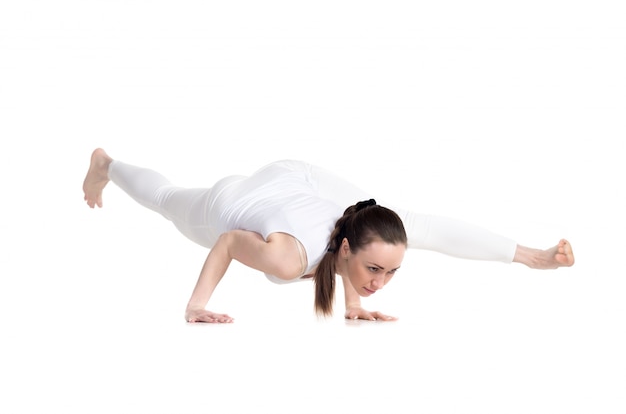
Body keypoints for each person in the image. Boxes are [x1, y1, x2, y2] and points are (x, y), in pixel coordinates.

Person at [82, 148, 575, 323]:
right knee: (166, 199)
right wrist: (196, 304)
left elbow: (437, 232)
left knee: (409, 225)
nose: (382, 280)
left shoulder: (355, 228)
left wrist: (532, 255)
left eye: (390, 273)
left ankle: (529, 257)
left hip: (299, 178)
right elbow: (231, 242)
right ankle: (107, 163)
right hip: (233, 203)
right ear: (344, 250)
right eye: (374, 271)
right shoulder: (286, 260)